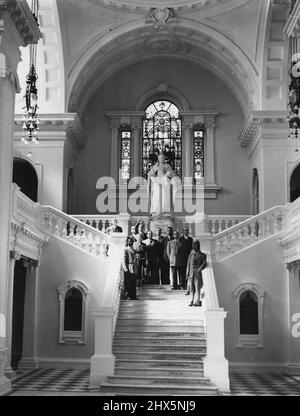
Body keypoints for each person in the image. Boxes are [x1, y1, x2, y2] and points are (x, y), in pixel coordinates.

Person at [186, 240, 207, 307]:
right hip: (191, 274)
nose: (195, 246)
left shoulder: (203, 255)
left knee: (197, 288)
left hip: (198, 274)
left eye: (196, 245)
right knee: (192, 289)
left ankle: (197, 302)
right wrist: (187, 273)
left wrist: (199, 270)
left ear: (199, 246)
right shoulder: (190, 255)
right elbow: (188, 265)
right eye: (194, 245)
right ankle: (192, 300)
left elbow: (204, 263)